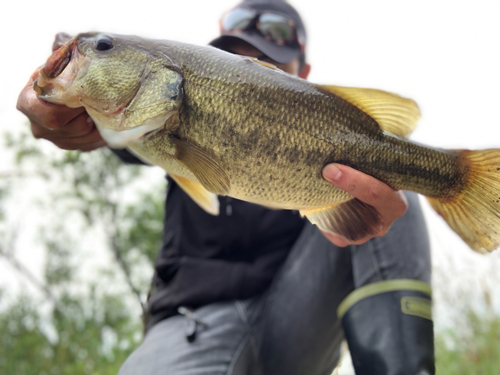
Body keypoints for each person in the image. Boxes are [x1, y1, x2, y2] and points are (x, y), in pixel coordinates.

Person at [17, 1, 434, 374]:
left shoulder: (331, 132)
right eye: (233, 60)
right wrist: (60, 118)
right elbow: (99, 132)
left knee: (391, 183)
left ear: (303, 76)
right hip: (191, 320)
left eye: (268, 63)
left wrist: (359, 219)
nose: (249, 66)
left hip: (296, 322)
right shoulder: (153, 119)